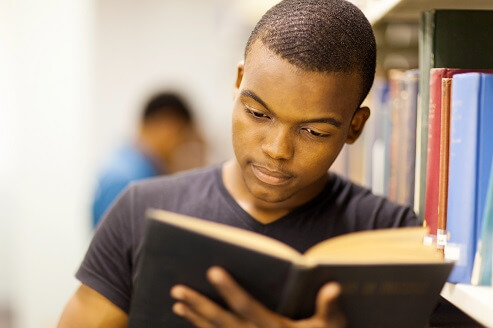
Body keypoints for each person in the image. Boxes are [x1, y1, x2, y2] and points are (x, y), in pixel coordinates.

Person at [59, 0, 419, 326]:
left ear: (355, 127)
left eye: (314, 132)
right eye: (257, 113)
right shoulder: (140, 211)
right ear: (237, 82)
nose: (277, 150)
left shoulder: (396, 237)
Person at [91, 92, 201, 227]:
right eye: (182, 135)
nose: (180, 147)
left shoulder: (131, 165)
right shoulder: (130, 178)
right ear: (168, 126)